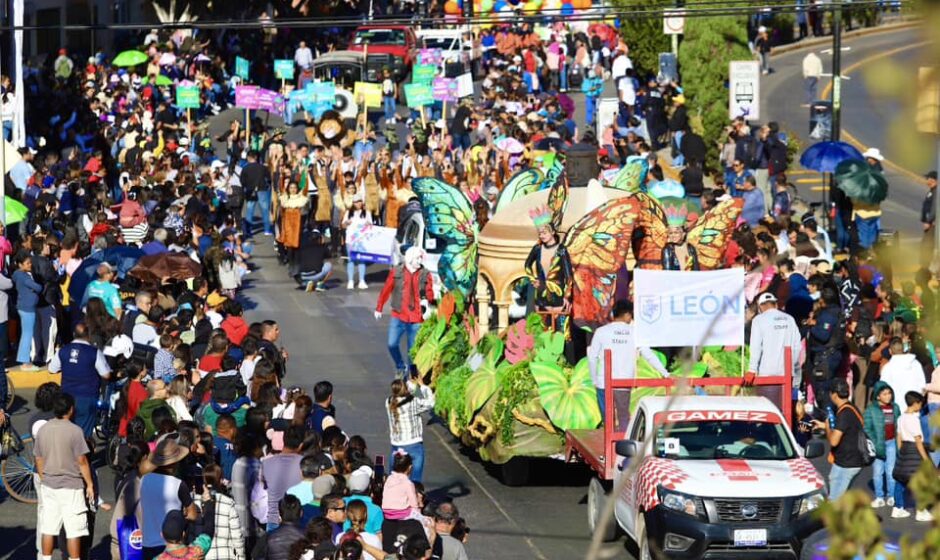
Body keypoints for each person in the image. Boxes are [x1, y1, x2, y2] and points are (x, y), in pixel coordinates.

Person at [586, 300, 668, 426]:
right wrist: (665, 373)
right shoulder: (635, 333)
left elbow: (592, 357)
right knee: (623, 417)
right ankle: (623, 444)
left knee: (608, 421)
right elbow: (649, 355)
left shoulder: (601, 331)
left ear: (614, 314)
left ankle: (609, 444)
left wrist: (594, 380)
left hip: (604, 382)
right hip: (623, 382)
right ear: (627, 315)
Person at [35, 392, 96, 560]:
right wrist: (89, 484)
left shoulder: (43, 430)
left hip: (49, 485)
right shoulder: (75, 431)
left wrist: (44, 477)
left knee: (48, 528)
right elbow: (82, 461)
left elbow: (38, 459)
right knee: (74, 529)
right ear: (71, 409)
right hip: (71, 487)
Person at [375, 247, 435, 377]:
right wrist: (379, 307)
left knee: (412, 351)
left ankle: (412, 378)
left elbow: (430, 292)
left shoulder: (425, 273)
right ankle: (400, 366)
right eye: (418, 258)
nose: (420, 260)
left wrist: (429, 299)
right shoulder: (396, 271)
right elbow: (386, 289)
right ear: (410, 258)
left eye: (421, 258)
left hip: (417, 318)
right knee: (392, 344)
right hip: (399, 315)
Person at [48, 322, 111, 437]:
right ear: (89, 335)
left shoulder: (63, 350)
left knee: (66, 433)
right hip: (87, 398)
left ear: (73, 334)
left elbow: (52, 369)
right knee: (83, 436)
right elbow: (106, 374)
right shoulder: (94, 352)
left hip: (66, 398)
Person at [140, 438, 198, 559]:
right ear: (176, 463)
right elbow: (192, 515)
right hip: (171, 545)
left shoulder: (143, 480)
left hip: (147, 543)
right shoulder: (178, 484)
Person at [812, 378, 866, 500]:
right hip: (853, 461)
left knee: (834, 502)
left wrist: (826, 427)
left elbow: (833, 441)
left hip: (846, 464)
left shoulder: (844, 413)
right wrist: (822, 425)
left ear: (834, 394)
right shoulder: (852, 409)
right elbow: (845, 428)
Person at [747, 292, 802, 406]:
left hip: (767, 375)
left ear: (760, 307)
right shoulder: (789, 319)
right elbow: (797, 347)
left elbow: (756, 347)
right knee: (786, 412)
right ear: (775, 304)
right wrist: (795, 376)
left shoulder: (758, 320)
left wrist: (752, 370)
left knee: (769, 412)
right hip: (787, 374)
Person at [891, 391, 935, 521]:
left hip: (904, 450)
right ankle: (921, 511)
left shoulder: (901, 418)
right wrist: (926, 459)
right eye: (920, 403)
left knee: (900, 481)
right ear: (915, 403)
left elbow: (898, 436)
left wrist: (901, 452)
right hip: (914, 452)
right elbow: (918, 441)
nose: (921, 406)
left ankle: (897, 508)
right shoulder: (914, 420)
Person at [386, 377, 435, 483]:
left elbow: (409, 394)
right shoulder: (413, 403)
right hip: (414, 446)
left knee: (394, 480)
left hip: (397, 446)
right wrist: (421, 385)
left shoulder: (389, 402)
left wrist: (409, 384)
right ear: (406, 389)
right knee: (414, 481)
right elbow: (430, 403)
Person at [863, 382, 901, 509]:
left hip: (891, 443)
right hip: (877, 445)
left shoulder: (895, 408)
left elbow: (898, 425)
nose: (888, 396)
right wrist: (875, 442)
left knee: (891, 472)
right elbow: (867, 428)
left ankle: (891, 496)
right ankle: (879, 497)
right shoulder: (871, 410)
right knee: (877, 472)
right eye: (884, 394)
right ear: (878, 396)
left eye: (889, 393)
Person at [196, 463, 245, 560]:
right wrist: (241, 556)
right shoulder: (228, 503)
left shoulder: (196, 503)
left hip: (202, 555)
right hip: (225, 555)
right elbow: (237, 535)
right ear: (221, 480)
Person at [261, 425, 305, 530]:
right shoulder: (305, 465)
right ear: (301, 445)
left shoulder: (266, 463)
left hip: (273, 519)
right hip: (296, 521)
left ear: (283, 441)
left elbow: (263, 485)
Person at [12, 251, 42, 369]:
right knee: (27, 334)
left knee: (26, 333)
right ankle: (25, 362)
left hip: (24, 307)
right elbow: (38, 287)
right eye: (27, 263)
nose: (30, 265)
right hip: (27, 308)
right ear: (20, 264)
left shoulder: (17, 274)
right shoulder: (24, 276)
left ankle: (22, 359)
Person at [879, 337, 927, 405]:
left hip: (896, 407)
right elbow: (923, 386)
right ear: (903, 349)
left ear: (890, 351)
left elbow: (883, 388)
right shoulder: (915, 363)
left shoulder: (888, 368)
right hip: (914, 406)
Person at [343, 195, 372, 290]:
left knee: (361, 259)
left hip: (362, 240)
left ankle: (362, 280)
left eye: (359, 201)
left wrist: (368, 224)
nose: (358, 203)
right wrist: (347, 223)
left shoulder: (367, 213)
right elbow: (343, 225)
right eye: (356, 202)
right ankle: (350, 280)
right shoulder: (348, 213)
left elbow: (371, 226)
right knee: (351, 260)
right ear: (353, 203)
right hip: (351, 240)